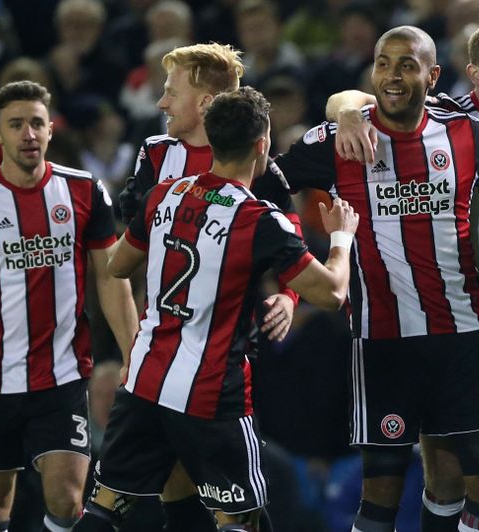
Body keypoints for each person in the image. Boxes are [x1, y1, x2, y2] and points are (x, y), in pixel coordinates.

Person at [272, 25, 479, 532]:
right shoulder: (343, 138)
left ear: (431, 76)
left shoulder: (464, 133)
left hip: (471, 331)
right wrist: (293, 276)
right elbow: (266, 192)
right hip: (383, 338)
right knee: (392, 486)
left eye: (407, 66)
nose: (393, 75)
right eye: (384, 64)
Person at [73, 86, 358, 532]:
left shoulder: (165, 193)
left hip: (146, 380)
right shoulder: (259, 219)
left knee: (105, 509)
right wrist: (341, 237)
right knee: (241, 520)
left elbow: (117, 264)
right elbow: (332, 294)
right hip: (211, 392)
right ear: (262, 143)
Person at [0, 80, 139, 532]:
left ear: (50, 129)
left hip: (62, 375)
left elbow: (110, 276)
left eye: (36, 123)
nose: (28, 134)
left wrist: (132, 353)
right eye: (16, 124)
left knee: (66, 497)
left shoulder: (85, 191)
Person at [117, 42, 301, 530]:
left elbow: (291, 240)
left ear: (204, 104)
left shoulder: (257, 165)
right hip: (160, 348)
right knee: (175, 477)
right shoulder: (156, 156)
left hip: (225, 351)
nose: (160, 103)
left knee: (228, 492)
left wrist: (288, 294)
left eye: (170, 92)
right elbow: (129, 250)